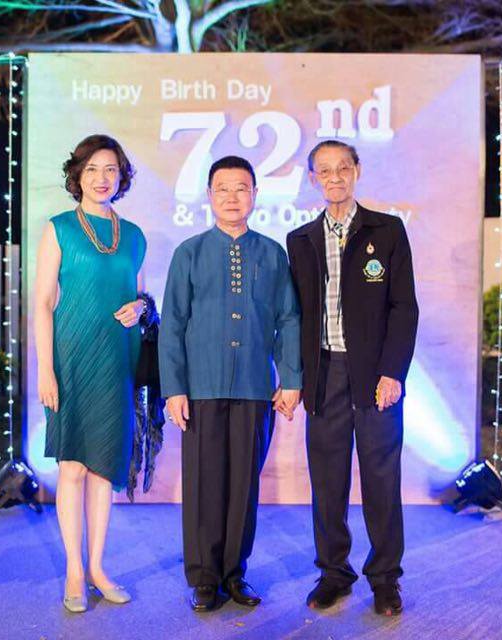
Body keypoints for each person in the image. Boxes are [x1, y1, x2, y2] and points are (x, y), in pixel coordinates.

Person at [159, 156, 302, 612]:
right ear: (209, 195)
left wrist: (291, 379)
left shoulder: (272, 254)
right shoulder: (190, 253)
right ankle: (204, 578)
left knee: (244, 485)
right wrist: (174, 388)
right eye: (222, 188)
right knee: (204, 483)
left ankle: (235, 573)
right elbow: (172, 324)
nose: (232, 197)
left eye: (241, 188)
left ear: (255, 194)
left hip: (255, 387)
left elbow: (288, 320)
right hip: (201, 386)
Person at [285, 140, 419, 617]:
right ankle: (333, 574)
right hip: (325, 374)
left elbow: (404, 307)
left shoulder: (387, 230)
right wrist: (295, 378)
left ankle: (384, 579)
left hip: (374, 375)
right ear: (312, 179)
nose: (335, 177)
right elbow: (295, 317)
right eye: (324, 171)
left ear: (357, 171)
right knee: (327, 481)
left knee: (381, 477)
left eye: (343, 167)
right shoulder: (300, 240)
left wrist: (392, 372)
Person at [33, 134, 148, 614]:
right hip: (72, 360)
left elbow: (141, 298)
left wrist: (140, 308)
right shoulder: (59, 229)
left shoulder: (134, 235)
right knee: (73, 468)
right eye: (93, 169)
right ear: (77, 175)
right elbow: (43, 303)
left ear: (121, 177)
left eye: (111, 170)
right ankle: (74, 572)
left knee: (104, 469)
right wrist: (46, 370)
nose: (102, 178)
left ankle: (98, 567)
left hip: (117, 362)